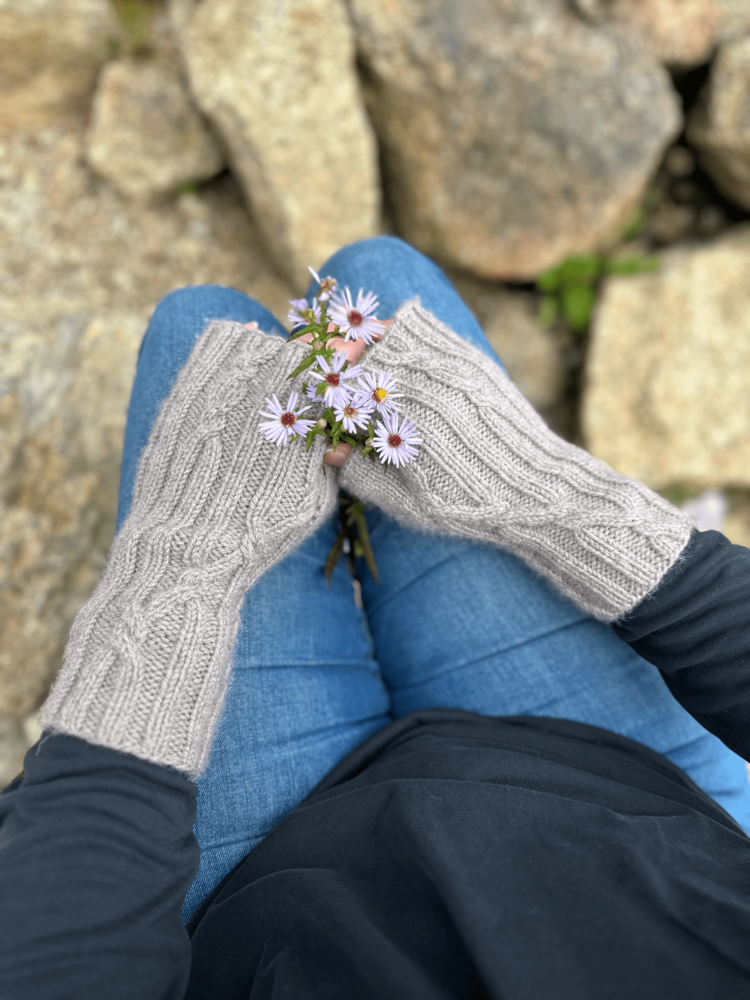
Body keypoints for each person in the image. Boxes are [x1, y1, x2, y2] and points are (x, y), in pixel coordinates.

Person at [0, 236, 749, 999]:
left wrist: (180, 565)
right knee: (379, 283)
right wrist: (546, 492)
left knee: (202, 329)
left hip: (244, 889)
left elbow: (56, 963)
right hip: (629, 789)